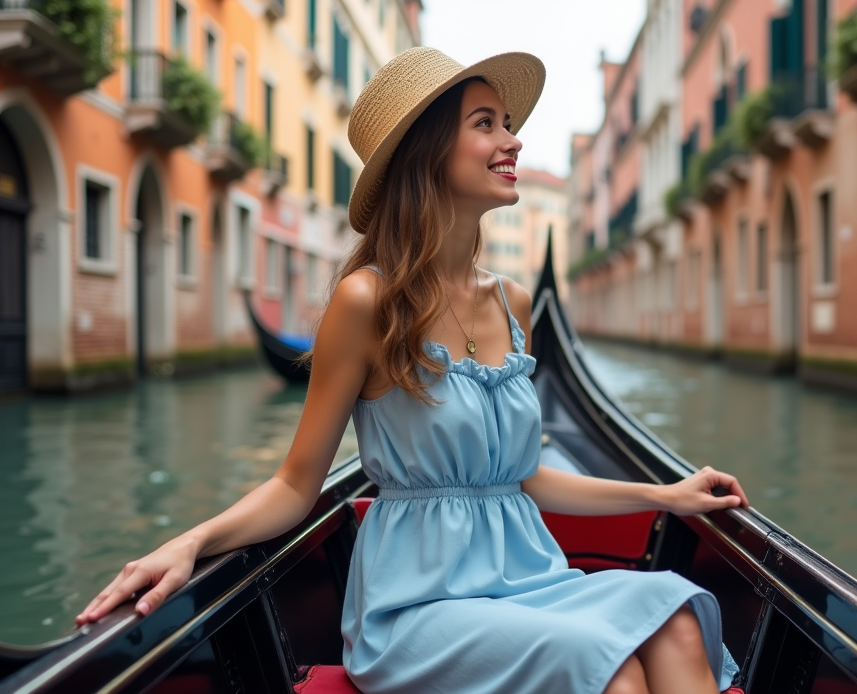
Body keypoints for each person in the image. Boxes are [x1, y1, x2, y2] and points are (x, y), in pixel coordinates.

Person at [76, 48, 749, 694]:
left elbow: (522, 478)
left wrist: (667, 495)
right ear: (425, 155)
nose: (512, 141)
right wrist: (193, 541)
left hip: (532, 579)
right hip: (418, 608)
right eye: (485, 124)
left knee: (679, 620)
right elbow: (294, 483)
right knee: (612, 670)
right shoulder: (366, 301)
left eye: (508, 124)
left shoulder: (513, 303)